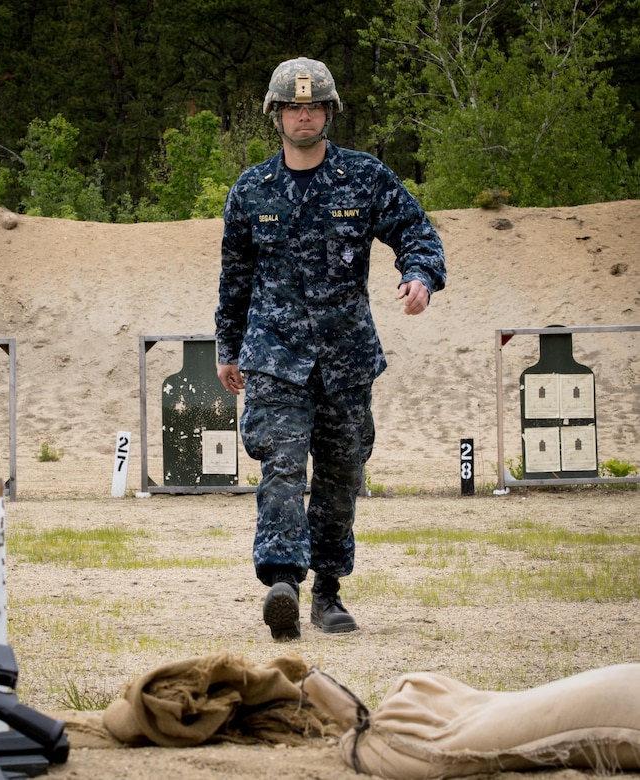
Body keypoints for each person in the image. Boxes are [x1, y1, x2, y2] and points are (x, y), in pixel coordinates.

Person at [215, 57, 446, 641]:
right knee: (284, 468)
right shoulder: (251, 190)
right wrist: (227, 345)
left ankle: (329, 590)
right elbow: (235, 275)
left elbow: (417, 233)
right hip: (275, 359)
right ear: (276, 115)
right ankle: (283, 583)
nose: (304, 115)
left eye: (314, 105)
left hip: (345, 360)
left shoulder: (364, 178)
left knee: (341, 477)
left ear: (329, 112)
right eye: (293, 107)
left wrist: (419, 275)